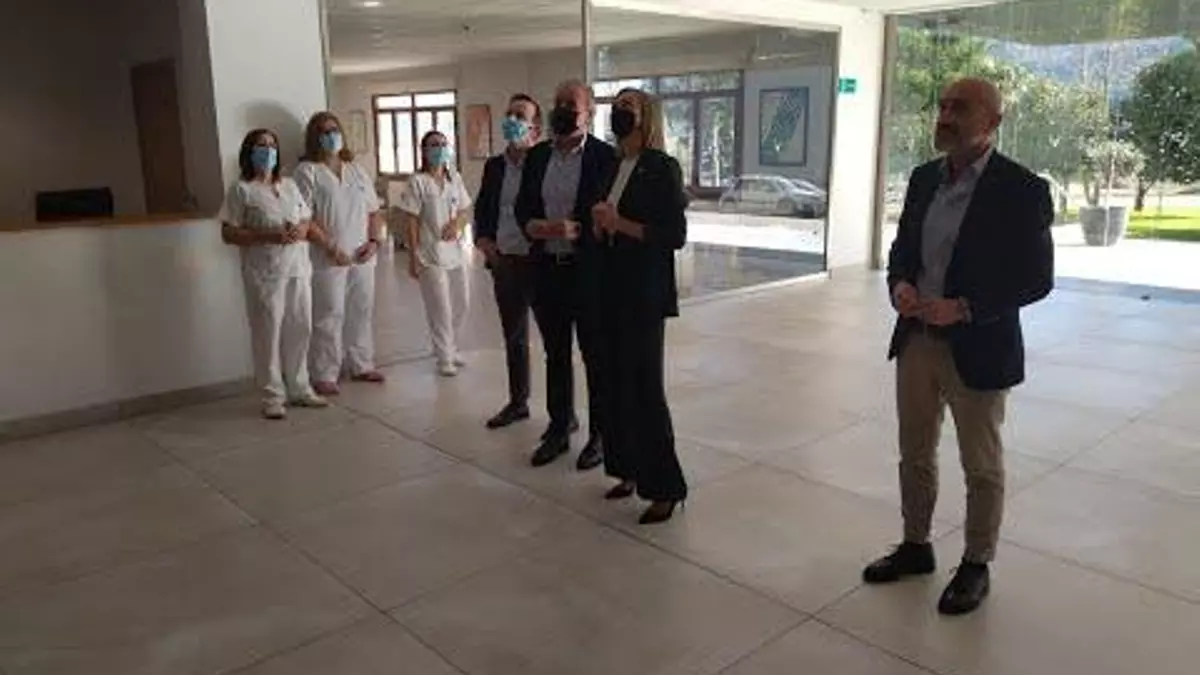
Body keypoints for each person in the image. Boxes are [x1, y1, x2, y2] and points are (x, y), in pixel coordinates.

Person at [863, 77, 1054, 616]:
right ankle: (916, 545)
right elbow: (902, 249)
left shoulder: (1021, 188)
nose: (945, 116)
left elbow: (1036, 279)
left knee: (981, 463)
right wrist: (900, 284)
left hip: (980, 345)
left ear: (993, 122)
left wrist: (966, 307)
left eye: (960, 108)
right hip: (917, 340)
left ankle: (976, 563)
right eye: (943, 106)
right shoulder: (924, 178)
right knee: (914, 451)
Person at [592, 88, 688, 525]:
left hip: (644, 294)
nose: (619, 113)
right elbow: (606, 223)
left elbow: (673, 235)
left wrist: (621, 224)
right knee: (613, 384)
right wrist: (600, 226)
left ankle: (666, 487)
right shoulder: (613, 165)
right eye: (616, 107)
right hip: (609, 287)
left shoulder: (661, 167)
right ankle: (626, 469)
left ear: (646, 117)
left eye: (627, 108)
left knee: (646, 388)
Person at [514, 79, 616, 471]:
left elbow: (610, 213)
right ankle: (559, 427)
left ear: (589, 113)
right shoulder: (538, 156)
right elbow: (524, 208)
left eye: (570, 105)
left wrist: (581, 230)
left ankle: (601, 436)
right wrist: (537, 227)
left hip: (588, 273)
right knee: (555, 354)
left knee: (595, 356)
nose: (562, 110)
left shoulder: (605, 157)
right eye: (557, 103)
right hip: (547, 269)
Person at [219, 128, 330, 419]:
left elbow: (306, 219)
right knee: (267, 334)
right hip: (265, 275)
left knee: (301, 328)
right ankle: (272, 395)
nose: (267, 151)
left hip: (297, 270)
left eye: (271, 145)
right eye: (261, 145)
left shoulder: (290, 185)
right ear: (249, 152)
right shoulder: (241, 189)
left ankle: (300, 387)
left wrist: (300, 230)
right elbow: (228, 233)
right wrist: (268, 235)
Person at [295, 111, 387, 397]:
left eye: (334, 130)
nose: (331, 136)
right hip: (327, 257)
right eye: (324, 131)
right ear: (314, 137)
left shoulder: (356, 170)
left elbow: (374, 211)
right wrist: (331, 248)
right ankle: (324, 373)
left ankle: (361, 363)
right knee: (329, 313)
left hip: (362, 255)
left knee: (362, 309)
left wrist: (374, 241)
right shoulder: (307, 172)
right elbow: (305, 218)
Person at [474, 93, 543, 429]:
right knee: (514, 337)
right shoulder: (494, 166)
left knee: (554, 342)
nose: (512, 121)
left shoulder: (543, 163)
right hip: (504, 262)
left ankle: (563, 416)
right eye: (510, 114)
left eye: (520, 116)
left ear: (535, 128)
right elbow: (483, 209)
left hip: (538, 262)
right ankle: (518, 402)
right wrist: (484, 242)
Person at [398, 130, 473, 376]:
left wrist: (457, 225)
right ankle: (444, 357)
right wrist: (412, 256)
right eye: (433, 145)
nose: (439, 149)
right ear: (424, 150)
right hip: (429, 254)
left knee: (462, 302)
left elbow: (464, 210)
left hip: (454, 253)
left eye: (443, 144)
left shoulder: (454, 179)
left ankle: (451, 346)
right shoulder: (417, 181)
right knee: (440, 308)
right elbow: (411, 220)